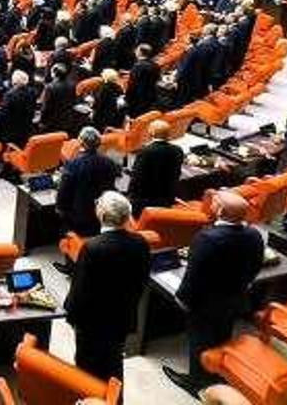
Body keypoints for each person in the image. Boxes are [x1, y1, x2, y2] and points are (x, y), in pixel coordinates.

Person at [164, 191, 266, 393]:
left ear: (220, 211)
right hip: (235, 297)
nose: (211, 203)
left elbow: (194, 274)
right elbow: (256, 266)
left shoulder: (207, 238)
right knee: (222, 335)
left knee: (199, 339)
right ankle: (217, 371)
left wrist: (183, 298)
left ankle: (196, 382)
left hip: (205, 303)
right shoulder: (254, 235)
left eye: (215, 202)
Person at [64, 192, 150, 383]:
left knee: (86, 371)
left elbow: (81, 290)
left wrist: (71, 315)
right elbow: (141, 282)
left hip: (92, 323)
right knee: (114, 365)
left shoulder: (92, 247)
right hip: (122, 318)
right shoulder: (141, 243)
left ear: (101, 215)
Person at [56, 127, 121, 237]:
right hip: (103, 212)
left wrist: (59, 208)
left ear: (81, 142)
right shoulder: (109, 162)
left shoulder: (74, 164)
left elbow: (63, 192)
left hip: (79, 217)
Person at [126, 119, 183, 216]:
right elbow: (176, 174)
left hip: (144, 201)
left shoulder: (145, 151)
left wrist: (129, 196)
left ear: (151, 133)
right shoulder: (178, 150)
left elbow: (137, 177)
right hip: (166, 200)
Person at [0, 70, 37, 149]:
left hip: (11, 133)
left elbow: (3, 117)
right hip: (27, 129)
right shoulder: (32, 92)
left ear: (13, 81)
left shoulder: (9, 95)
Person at [124, 44, 162, 117]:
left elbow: (132, 85)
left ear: (140, 52)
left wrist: (126, 99)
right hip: (150, 96)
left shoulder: (137, 67)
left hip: (137, 98)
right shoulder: (155, 65)